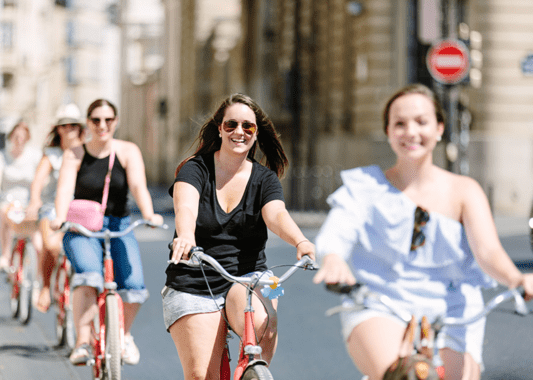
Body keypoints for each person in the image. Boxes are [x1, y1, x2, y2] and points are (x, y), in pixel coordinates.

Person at [312, 83, 533, 380]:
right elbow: (338, 230)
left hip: (454, 309)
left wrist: (516, 278)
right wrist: (333, 258)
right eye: (399, 124)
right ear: (388, 132)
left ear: (439, 128)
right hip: (380, 303)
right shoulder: (365, 186)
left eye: (421, 122)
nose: (411, 132)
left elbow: (488, 251)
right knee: (407, 376)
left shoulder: (465, 191)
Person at [164, 93, 315, 380]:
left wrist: (301, 241)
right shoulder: (195, 169)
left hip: (252, 275)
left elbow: (277, 215)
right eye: (231, 124)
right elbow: (185, 206)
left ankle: (254, 373)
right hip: (194, 277)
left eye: (248, 127)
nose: (239, 132)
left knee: (266, 323)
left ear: (256, 134)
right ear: (219, 128)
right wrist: (185, 236)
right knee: (200, 375)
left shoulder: (264, 179)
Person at [50, 99, 164, 366]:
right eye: (96, 120)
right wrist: (59, 216)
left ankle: (123, 336)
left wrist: (149, 214)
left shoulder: (127, 151)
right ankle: (82, 342)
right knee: (89, 276)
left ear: (116, 121)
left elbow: (137, 185)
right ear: (88, 123)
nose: (102, 126)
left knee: (134, 286)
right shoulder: (75, 153)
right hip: (82, 228)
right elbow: (65, 189)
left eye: (108, 120)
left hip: (119, 226)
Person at [25, 103, 85, 313]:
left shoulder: (87, 152)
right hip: (51, 207)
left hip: (80, 208)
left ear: (80, 128)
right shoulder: (51, 154)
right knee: (51, 246)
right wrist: (34, 201)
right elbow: (38, 182)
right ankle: (46, 287)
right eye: (64, 125)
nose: (69, 129)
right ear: (58, 129)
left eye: (73, 125)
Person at [0, 121, 43, 273]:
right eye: (16, 136)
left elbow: (41, 178)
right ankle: (5, 256)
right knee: (4, 214)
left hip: (30, 201)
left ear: (27, 138)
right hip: (10, 201)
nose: (19, 140)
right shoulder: (1, 156)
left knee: (37, 237)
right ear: (11, 137)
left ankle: (39, 275)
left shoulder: (35, 155)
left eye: (23, 137)